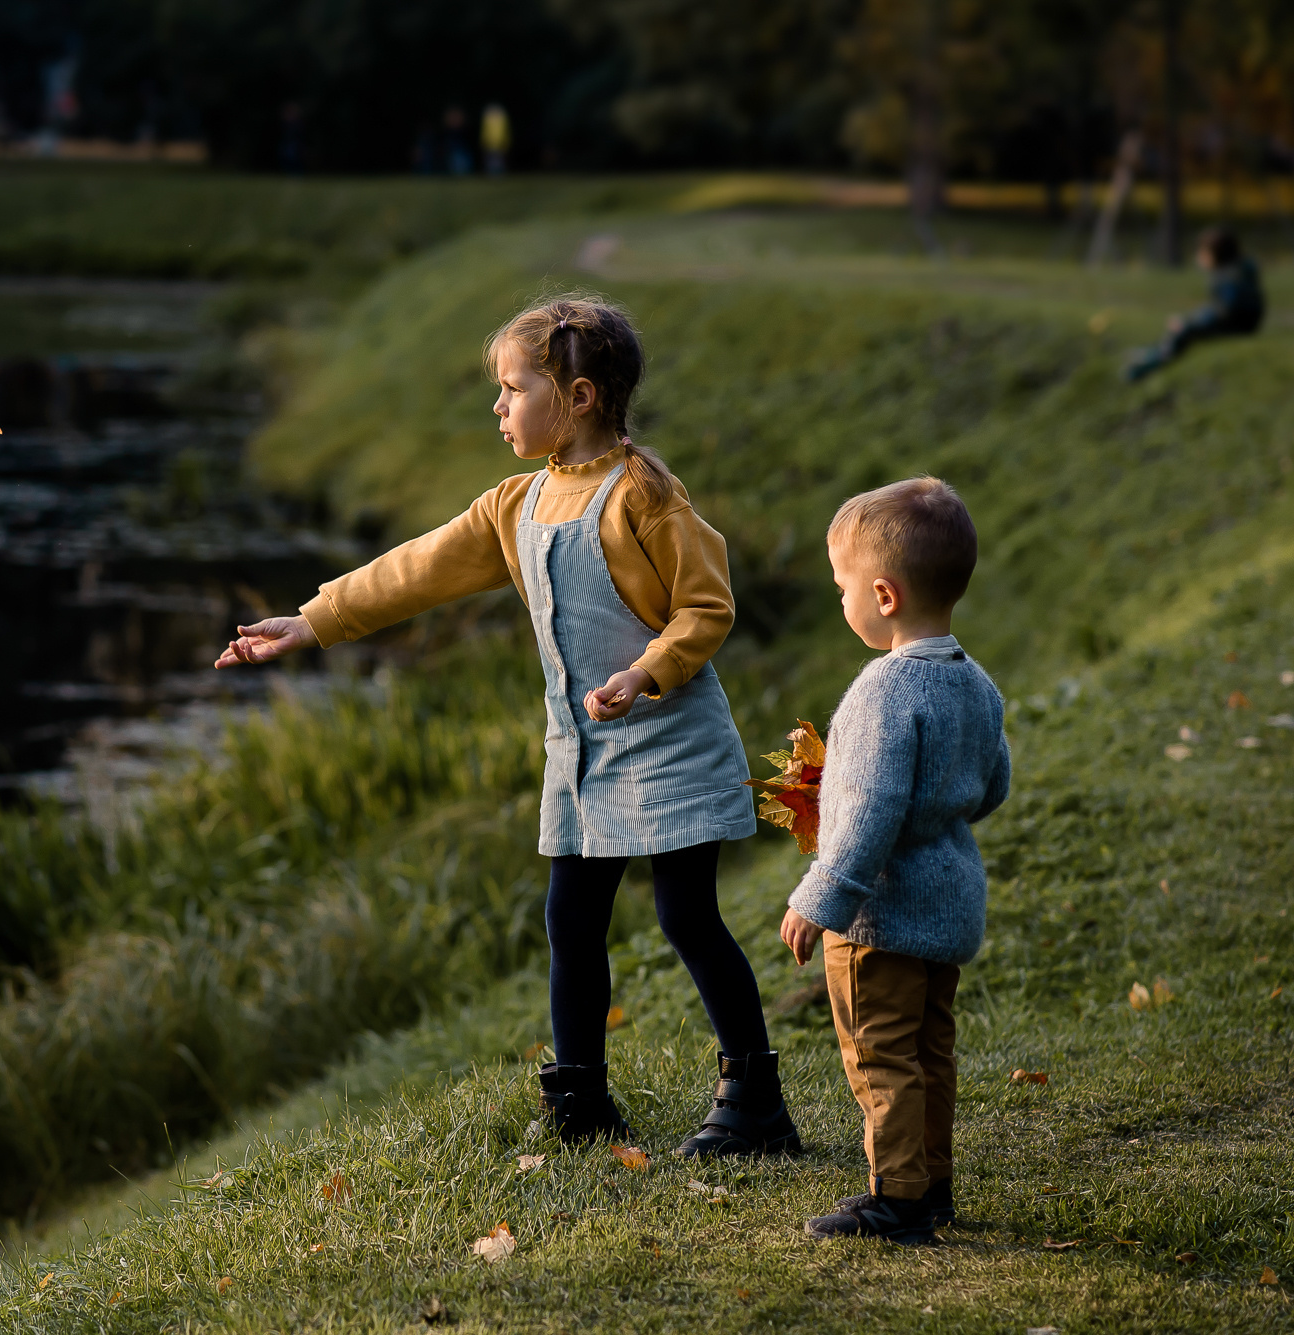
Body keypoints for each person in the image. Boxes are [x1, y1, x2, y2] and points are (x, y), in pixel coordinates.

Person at [217, 294, 800, 1158]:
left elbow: (706, 608)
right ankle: (580, 1103)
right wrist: (311, 622)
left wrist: (646, 673)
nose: (498, 406)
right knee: (570, 921)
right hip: (579, 751)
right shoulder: (515, 504)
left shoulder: (644, 493)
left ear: (578, 397)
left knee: (686, 917)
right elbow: (415, 569)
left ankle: (754, 1097)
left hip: (668, 738)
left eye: (512, 387)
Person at [778, 478, 1011, 1244]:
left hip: (881, 915)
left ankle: (897, 1198)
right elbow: (990, 787)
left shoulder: (884, 690)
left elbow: (871, 811)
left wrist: (822, 896)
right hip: (947, 907)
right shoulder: (975, 683)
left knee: (881, 1056)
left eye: (842, 584)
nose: (839, 597)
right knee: (929, 1050)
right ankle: (932, 1183)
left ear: (883, 594)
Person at [1125, 227, 1266, 381]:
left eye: (1202, 253)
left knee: (1184, 330)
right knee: (1186, 323)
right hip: (1247, 324)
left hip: (1237, 326)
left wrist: (1190, 322)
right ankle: (1155, 351)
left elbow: (1225, 310)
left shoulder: (1227, 278)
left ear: (1215, 255)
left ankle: (1151, 363)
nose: (1199, 257)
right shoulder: (1238, 270)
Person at [480, 103, 510, 176]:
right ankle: (491, 174)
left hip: (500, 143)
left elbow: (506, 131)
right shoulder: (487, 119)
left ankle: (499, 174)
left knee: (499, 160)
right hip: (490, 143)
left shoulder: (502, 119)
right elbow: (485, 131)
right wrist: (484, 141)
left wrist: (506, 142)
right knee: (490, 160)